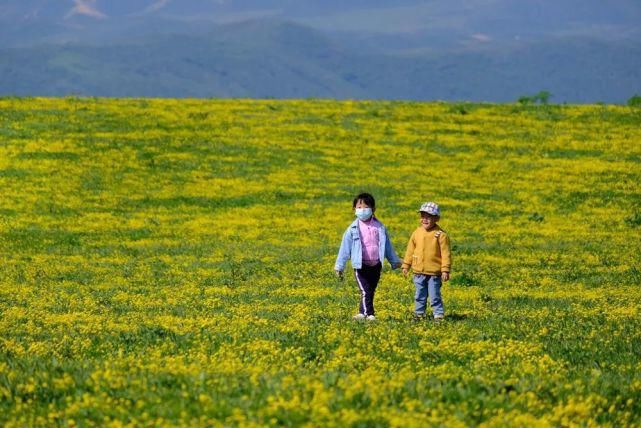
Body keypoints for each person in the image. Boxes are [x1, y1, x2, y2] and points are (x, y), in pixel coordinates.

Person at [335, 192, 402, 321]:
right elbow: (344, 248)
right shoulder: (352, 229)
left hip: (376, 265)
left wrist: (395, 261)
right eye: (359, 208)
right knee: (365, 290)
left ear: (373, 209)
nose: (362, 210)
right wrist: (339, 266)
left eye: (366, 207)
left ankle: (361, 312)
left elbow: (387, 246)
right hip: (360, 265)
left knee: (370, 290)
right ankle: (369, 314)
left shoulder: (380, 227)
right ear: (354, 209)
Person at [401, 202, 452, 321]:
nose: (424, 219)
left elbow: (446, 254)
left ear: (436, 218)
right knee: (419, 295)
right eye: (422, 216)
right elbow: (410, 250)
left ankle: (438, 315)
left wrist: (445, 269)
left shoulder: (441, 235)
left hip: (434, 273)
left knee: (434, 296)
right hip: (418, 272)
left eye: (428, 217)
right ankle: (419, 314)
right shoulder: (417, 232)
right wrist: (406, 265)